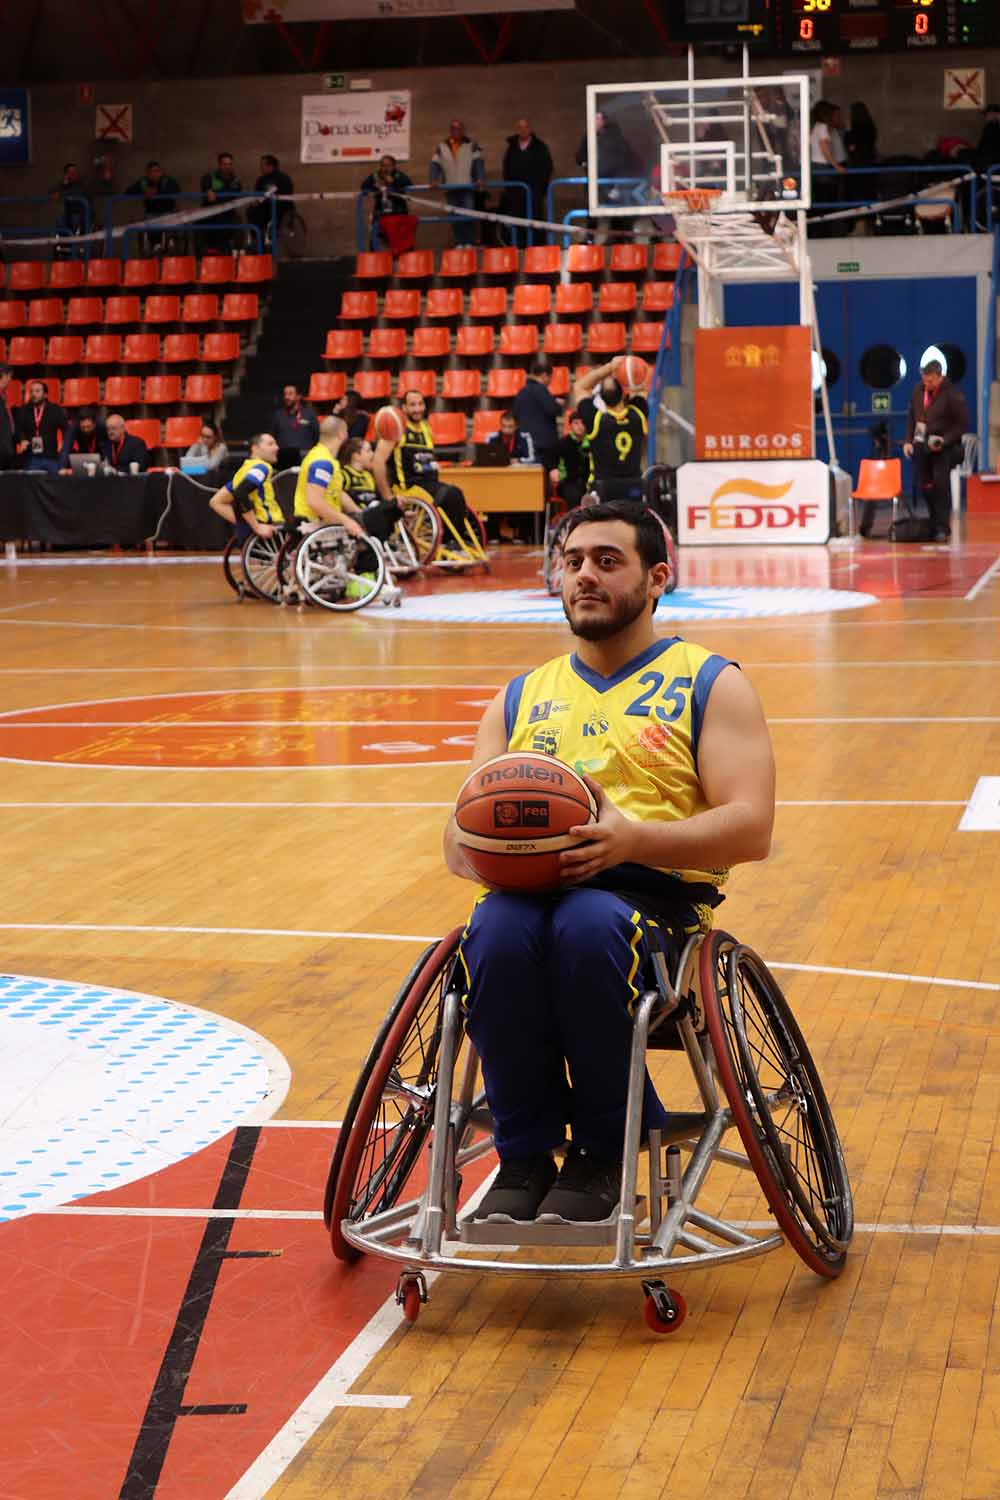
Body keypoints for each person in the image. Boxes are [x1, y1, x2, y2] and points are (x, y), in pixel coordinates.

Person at [444, 501, 775, 1223]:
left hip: (655, 906)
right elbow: (456, 837)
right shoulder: (520, 696)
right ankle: (522, 1156)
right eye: (572, 561)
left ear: (659, 578)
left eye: (606, 561)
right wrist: (485, 847)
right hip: (526, 900)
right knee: (494, 933)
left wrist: (632, 841)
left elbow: (751, 828)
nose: (584, 575)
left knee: (591, 926)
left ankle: (602, 1151)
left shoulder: (711, 681)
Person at [373, 388, 477, 545]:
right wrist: (388, 498)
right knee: (452, 494)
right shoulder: (397, 428)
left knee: (457, 498)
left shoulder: (426, 428)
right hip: (408, 487)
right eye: (412, 405)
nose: (417, 409)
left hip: (429, 485)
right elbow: (378, 463)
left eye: (420, 404)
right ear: (404, 408)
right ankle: (450, 541)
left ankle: (460, 538)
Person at [898, 360, 970, 543]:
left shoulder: (952, 395)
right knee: (924, 484)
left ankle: (942, 527)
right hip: (922, 445)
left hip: (944, 448)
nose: (927, 384)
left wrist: (944, 440)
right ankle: (933, 521)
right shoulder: (918, 391)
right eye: (925, 381)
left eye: (931, 381)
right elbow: (911, 418)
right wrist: (908, 441)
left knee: (940, 485)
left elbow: (961, 425)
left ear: (940, 377)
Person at [572, 360, 648, 502]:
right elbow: (642, 385)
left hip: (603, 488)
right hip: (633, 487)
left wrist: (609, 367)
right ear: (624, 394)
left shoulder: (596, 419)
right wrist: (628, 370)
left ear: (601, 397)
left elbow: (579, 386)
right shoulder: (638, 414)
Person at [208, 432, 282, 540]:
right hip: (271, 527)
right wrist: (256, 526)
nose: (277, 447)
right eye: (270, 444)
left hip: (251, 531)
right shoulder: (261, 468)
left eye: (276, 444)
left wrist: (246, 524)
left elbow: (216, 502)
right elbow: (241, 492)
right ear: (255, 448)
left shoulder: (242, 471)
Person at [430, 120, 485, 247]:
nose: (456, 131)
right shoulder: (442, 146)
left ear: (463, 130)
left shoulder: (472, 145)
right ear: (450, 131)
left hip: (467, 187)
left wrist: (480, 178)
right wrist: (434, 179)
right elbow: (435, 164)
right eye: (453, 129)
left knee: (468, 214)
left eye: (459, 129)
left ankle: (469, 242)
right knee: (454, 216)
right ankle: (460, 242)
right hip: (450, 187)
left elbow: (478, 163)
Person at [501, 118, 553, 244]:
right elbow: (506, 168)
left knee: (535, 220)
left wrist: (541, 189)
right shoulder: (511, 148)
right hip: (516, 193)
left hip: (534, 192)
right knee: (518, 221)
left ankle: (537, 248)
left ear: (530, 129)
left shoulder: (540, 147)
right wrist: (509, 189)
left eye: (525, 127)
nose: (523, 130)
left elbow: (547, 168)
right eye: (520, 128)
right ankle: (520, 248)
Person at [511, 359, 561, 474]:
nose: (549, 381)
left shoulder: (521, 392)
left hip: (526, 444)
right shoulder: (541, 390)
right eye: (550, 378)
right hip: (544, 445)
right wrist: (558, 404)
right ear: (544, 375)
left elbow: (515, 414)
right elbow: (552, 409)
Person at [360, 155, 414, 252]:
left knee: (402, 239)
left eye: (388, 166)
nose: (385, 168)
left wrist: (394, 183)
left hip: (398, 211)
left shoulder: (399, 175)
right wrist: (371, 189)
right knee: (375, 237)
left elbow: (409, 184)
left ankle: (402, 257)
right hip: (381, 212)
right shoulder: (375, 176)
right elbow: (364, 186)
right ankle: (375, 257)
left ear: (394, 166)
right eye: (383, 165)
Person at [809, 102, 846, 236]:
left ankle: (817, 230)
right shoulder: (823, 127)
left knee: (818, 199)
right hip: (823, 166)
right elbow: (825, 150)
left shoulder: (814, 126)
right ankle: (826, 230)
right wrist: (836, 166)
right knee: (826, 200)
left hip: (814, 166)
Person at [126, 161, 181, 251]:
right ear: (147, 173)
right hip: (151, 213)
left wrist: (157, 192)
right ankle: (156, 246)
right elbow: (128, 192)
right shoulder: (143, 182)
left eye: (157, 171)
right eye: (152, 171)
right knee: (150, 226)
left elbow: (177, 190)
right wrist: (144, 192)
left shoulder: (167, 180)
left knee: (172, 225)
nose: (155, 174)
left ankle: (170, 244)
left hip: (168, 212)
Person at [14, 379, 67, 473]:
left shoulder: (55, 410)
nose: (34, 394)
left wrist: (63, 450)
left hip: (51, 457)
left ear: (45, 395)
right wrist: (22, 439)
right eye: (31, 391)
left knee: (54, 485)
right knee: (31, 485)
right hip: (31, 457)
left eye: (37, 391)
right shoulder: (23, 410)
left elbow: (66, 430)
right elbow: (17, 430)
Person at [200, 151, 243, 250]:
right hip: (211, 214)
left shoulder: (236, 180)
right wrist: (208, 190)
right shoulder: (209, 177)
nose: (227, 167)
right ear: (219, 165)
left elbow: (236, 195)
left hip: (228, 214)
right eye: (224, 164)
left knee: (239, 227)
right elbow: (206, 187)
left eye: (229, 164)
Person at [549, 409, 591, 510]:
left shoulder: (592, 443)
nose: (580, 426)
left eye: (582, 423)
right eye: (576, 423)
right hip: (567, 483)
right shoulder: (562, 443)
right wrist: (553, 470)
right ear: (570, 425)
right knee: (574, 495)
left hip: (588, 483)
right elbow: (551, 461)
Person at [250, 154, 295, 246]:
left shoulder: (284, 179)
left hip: (280, 212)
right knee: (251, 211)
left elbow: (285, 198)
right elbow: (257, 195)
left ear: (270, 166)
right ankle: (258, 240)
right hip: (263, 213)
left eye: (262, 165)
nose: (260, 168)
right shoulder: (260, 180)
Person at [271, 383, 319, 468]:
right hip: (283, 461)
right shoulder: (278, 415)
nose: (286, 397)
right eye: (285, 394)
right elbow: (273, 436)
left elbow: (316, 436)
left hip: (305, 459)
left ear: (298, 396)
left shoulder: (309, 414)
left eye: (290, 394)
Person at [58, 407, 109, 471]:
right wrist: (62, 468)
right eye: (83, 427)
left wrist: (108, 462)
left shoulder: (102, 426)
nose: (86, 430)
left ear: (94, 424)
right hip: (83, 456)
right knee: (63, 456)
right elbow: (66, 447)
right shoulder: (74, 427)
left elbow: (110, 446)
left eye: (89, 426)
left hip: (101, 456)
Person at [51, 162, 89, 245]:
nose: (73, 174)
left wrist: (62, 194)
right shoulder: (63, 184)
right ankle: (60, 245)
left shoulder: (81, 184)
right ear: (66, 174)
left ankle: (75, 245)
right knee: (59, 222)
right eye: (70, 172)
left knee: (75, 220)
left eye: (75, 172)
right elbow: (53, 193)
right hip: (68, 213)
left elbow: (78, 193)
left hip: (81, 214)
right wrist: (63, 185)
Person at [845, 102, 878, 170]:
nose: (849, 115)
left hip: (858, 163)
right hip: (870, 160)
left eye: (851, 113)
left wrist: (848, 131)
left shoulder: (855, 129)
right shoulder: (870, 126)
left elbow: (851, 147)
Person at [0, 365, 16, 472]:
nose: (10, 380)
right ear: (4, 375)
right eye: (10, 376)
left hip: (6, 449)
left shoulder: (3, 395)